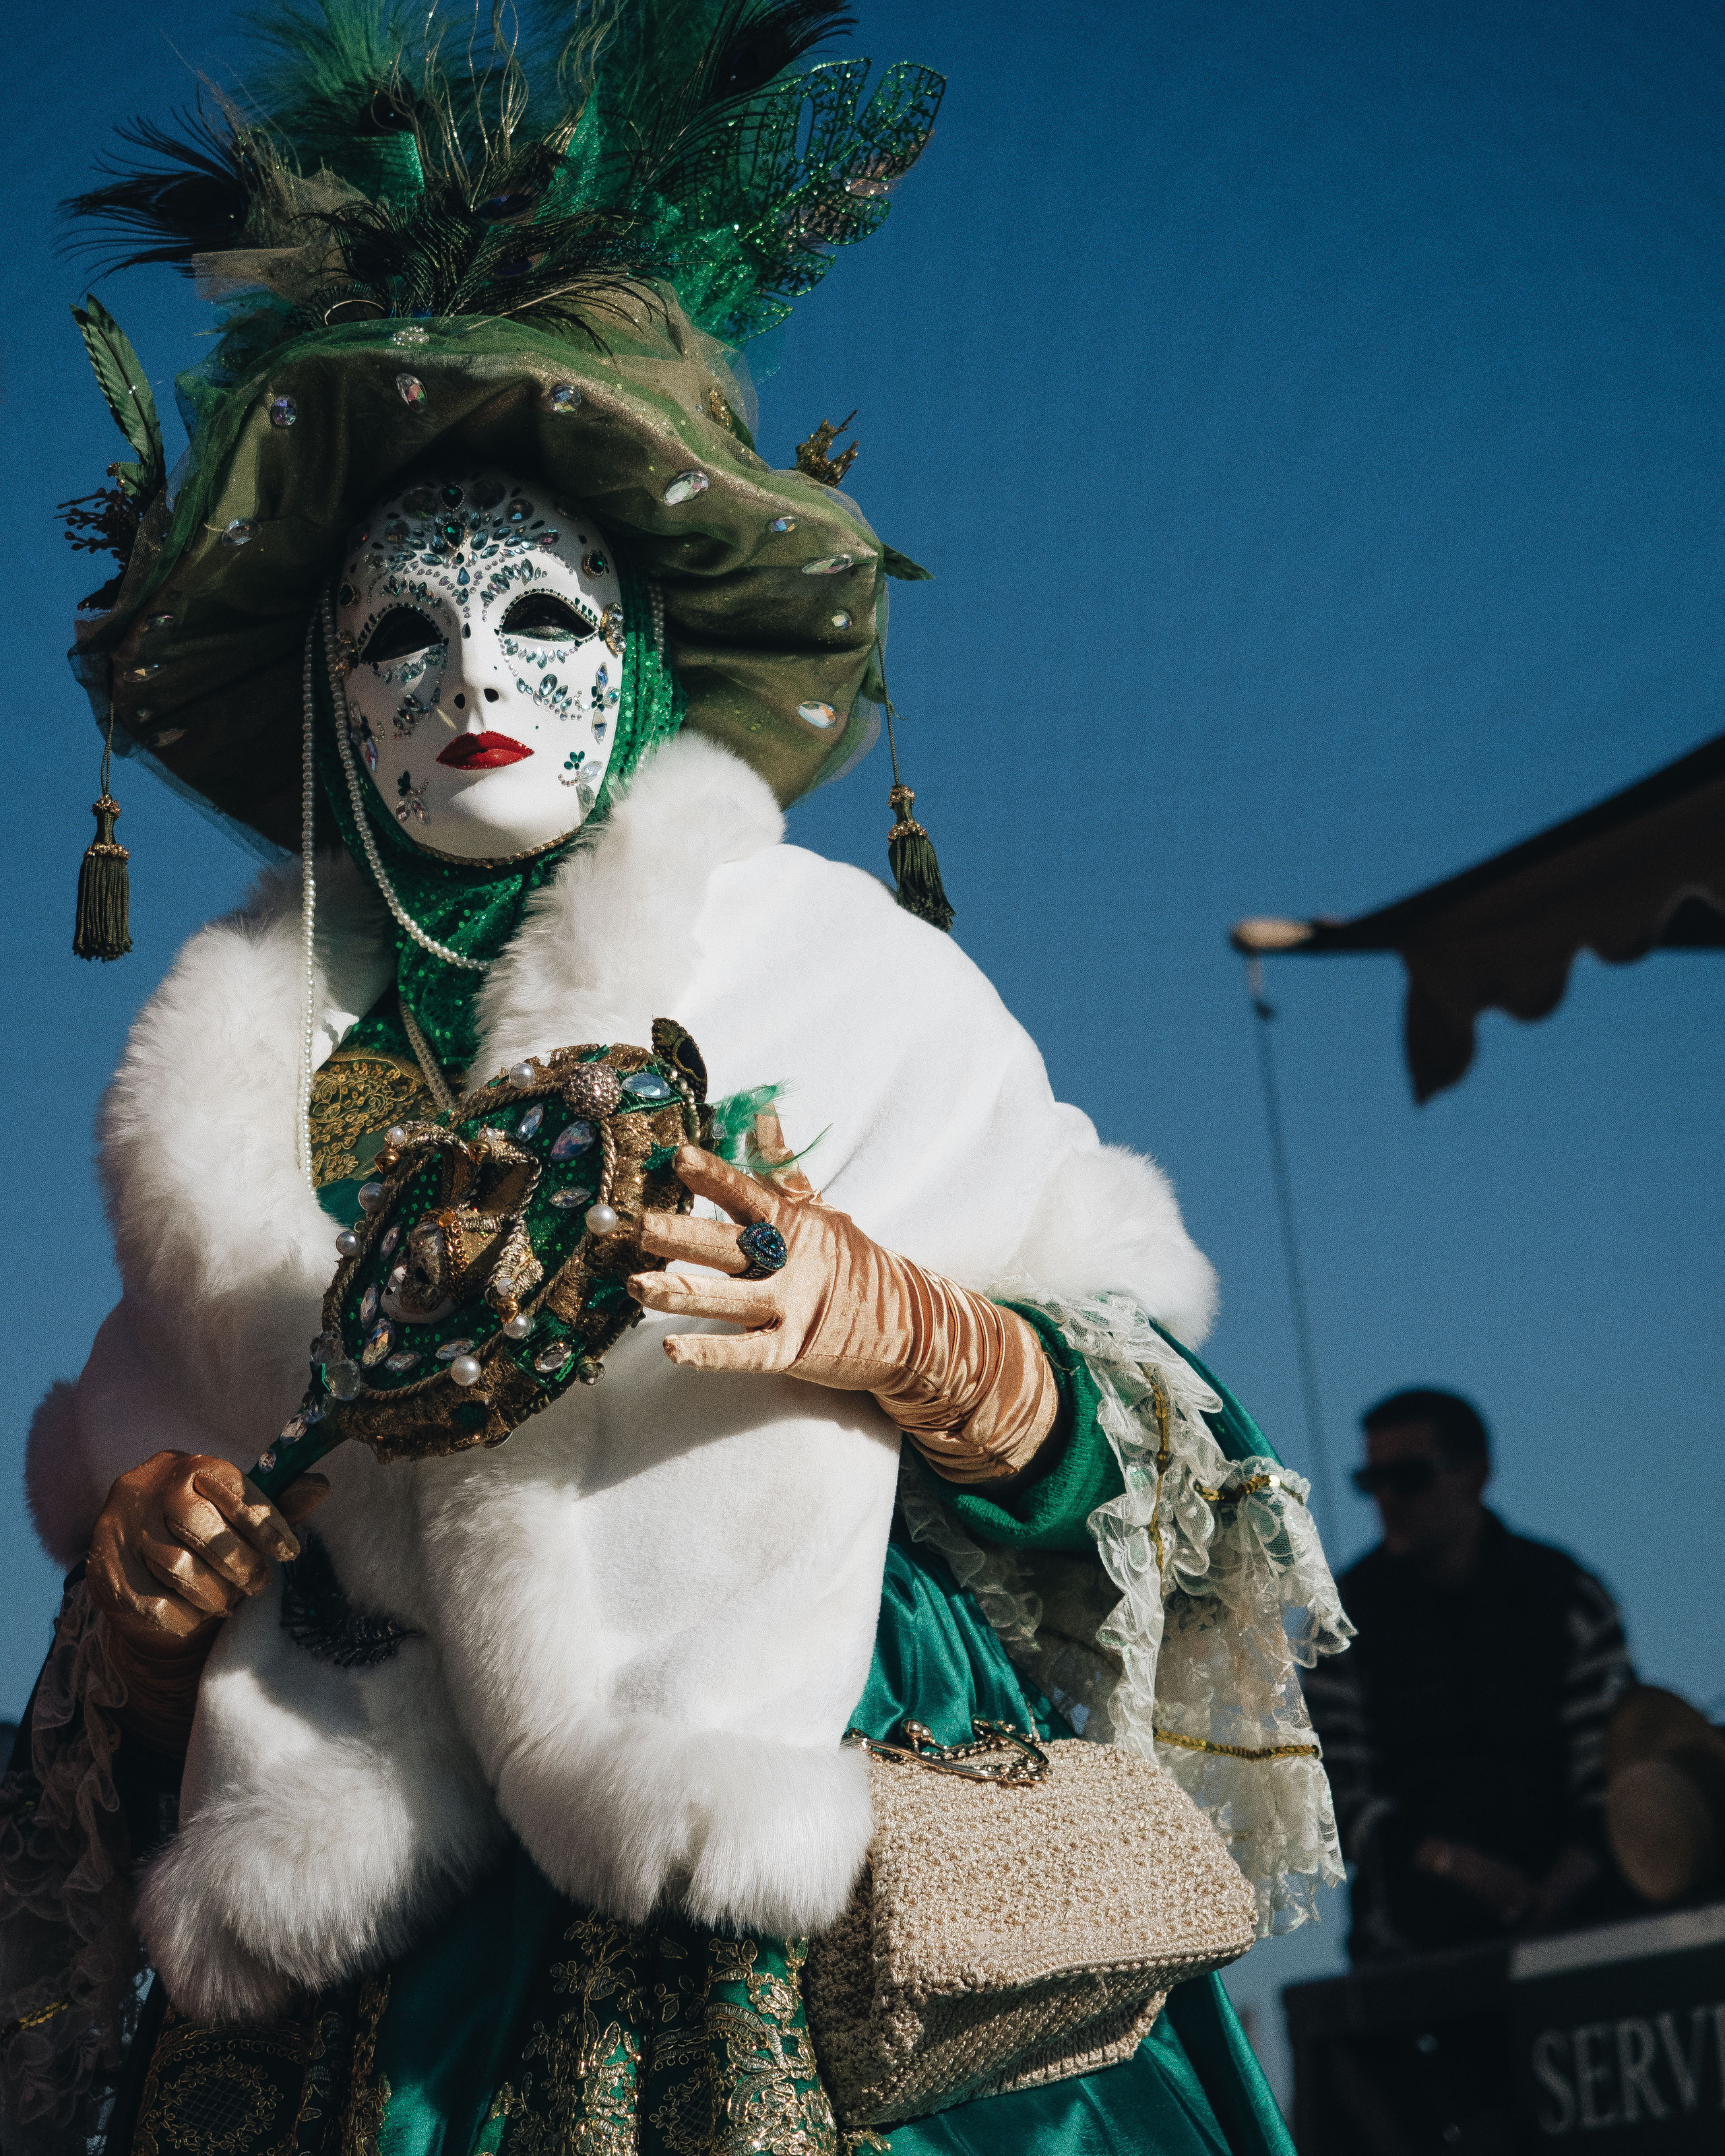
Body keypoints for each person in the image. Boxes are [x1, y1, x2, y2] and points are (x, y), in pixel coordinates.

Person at [0, 7, 1354, 2153]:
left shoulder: (840, 975)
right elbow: (125, 1654)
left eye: (534, 612)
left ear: (635, 652)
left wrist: (910, 1335)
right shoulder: (224, 1098)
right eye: (395, 639)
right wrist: (152, 1592)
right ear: (328, 697)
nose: (468, 683)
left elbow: (1144, 1456)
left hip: (802, 1898)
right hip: (353, 1990)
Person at [1303, 1387, 1635, 1962]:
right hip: (1412, 1940)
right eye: (1370, 1482)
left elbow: (1617, 1766)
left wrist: (1558, 1888)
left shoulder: (1568, 1598)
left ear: (1475, 1474)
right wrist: (1454, 1865)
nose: (1387, 1500)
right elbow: (1331, 1795)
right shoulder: (1340, 1624)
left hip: (1583, 1920)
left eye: (1408, 1477)